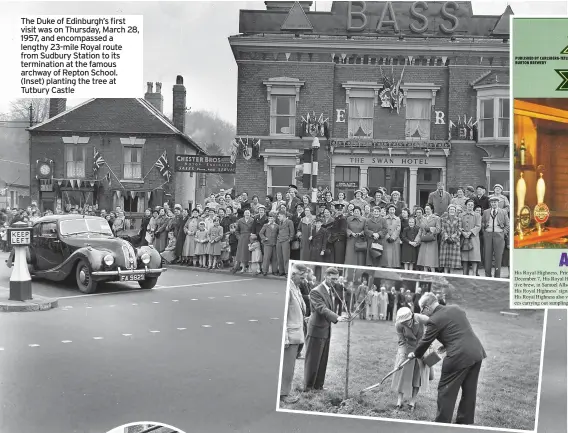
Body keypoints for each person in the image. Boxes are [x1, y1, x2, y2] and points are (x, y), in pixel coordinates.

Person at [409, 292, 487, 425]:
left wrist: (414, 354)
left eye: (422, 310)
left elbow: (425, 342)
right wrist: (447, 343)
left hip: (458, 357)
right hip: (476, 353)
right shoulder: (456, 309)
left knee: (446, 393)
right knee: (469, 391)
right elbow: (457, 329)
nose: (423, 313)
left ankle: (442, 424)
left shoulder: (434, 320)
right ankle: (464, 423)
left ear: (427, 308)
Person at [304, 267, 348, 391]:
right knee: (313, 359)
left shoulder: (330, 289)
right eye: (332, 279)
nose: (334, 281)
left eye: (336, 279)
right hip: (316, 330)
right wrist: (336, 317)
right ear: (326, 276)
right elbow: (321, 308)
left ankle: (319, 385)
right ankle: (308, 387)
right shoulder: (316, 291)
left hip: (325, 329)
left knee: (323, 360)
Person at [392, 307, 431, 411]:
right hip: (407, 349)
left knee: (417, 376)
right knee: (402, 375)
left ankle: (412, 402)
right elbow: (401, 342)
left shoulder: (421, 318)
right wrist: (402, 355)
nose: (406, 324)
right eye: (403, 323)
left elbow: (434, 325)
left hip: (422, 347)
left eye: (407, 322)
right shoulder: (399, 325)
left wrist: (419, 352)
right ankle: (399, 401)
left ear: (412, 317)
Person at [280, 264, 309, 405]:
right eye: (301, 277)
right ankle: (283, 394)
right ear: (293, 274)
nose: (303, 280)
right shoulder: (289, 289)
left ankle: (285, 391)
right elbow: (284, 315)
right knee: (287, 367)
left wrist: (305, 319)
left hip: (297, 333)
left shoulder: (296, 288)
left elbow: (299, 310)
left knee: (290, 366)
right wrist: (284, 337)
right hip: (290, 336)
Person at [482, 196, 509, 278]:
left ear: (498, 203)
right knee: (487, 255)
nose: (494, 204)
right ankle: (488, 275)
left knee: (498, 256)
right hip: (488, 234)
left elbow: (507, 225)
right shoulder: (486, 212)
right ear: (490, 203)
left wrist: (503, 232)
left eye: (495, 202)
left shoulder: (503, 212)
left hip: (499, 234)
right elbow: (482, 223)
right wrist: (484, 231)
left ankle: (497, 276)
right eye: (492, 202)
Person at [276, 210, 295, 276]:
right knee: (279, 256)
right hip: (279, 240)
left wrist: (290, 239)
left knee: (286, 257)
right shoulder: (280, 222)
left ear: (283, 216)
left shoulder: (289, 222)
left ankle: (287, 272)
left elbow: (292, 231)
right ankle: (281, 271)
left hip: (285, 241)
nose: (278, 218)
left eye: (279, 216)